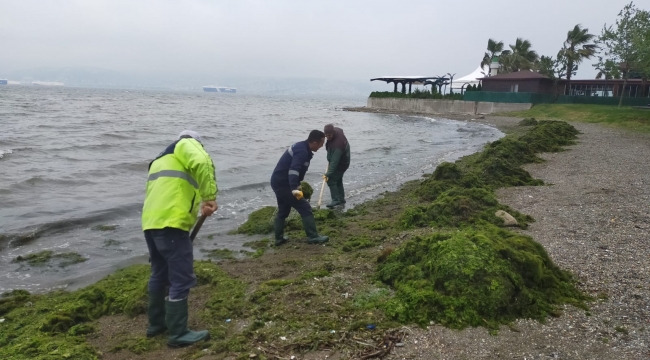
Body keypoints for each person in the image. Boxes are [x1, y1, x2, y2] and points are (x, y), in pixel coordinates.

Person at [141, 130, 217, 348]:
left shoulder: (159, 159)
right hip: (172, 223)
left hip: (151, 222)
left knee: (159, 273)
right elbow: (203, 161)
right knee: (181, 278)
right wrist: (209, 197)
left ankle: (156, 325)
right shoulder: (187, 144)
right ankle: (178, 333)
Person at [271, 130, 330, 246]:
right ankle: (313, 237)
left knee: (283, 210)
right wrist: (294, 189)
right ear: (314, 143)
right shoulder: (302, 151)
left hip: (278, 181)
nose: (322, 146)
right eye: (321, 143)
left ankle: (279, 239)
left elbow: (298, 171)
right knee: (305, 207)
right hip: (284, 184)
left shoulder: (303, 148)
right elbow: (294, 169)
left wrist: (297, 185)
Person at [323, 124, 350, 208]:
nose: (328, 137)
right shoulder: (338, 130)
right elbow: (341, 129)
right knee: (338, 179)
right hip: (344, 158)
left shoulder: (338, 145)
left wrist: (327, 174)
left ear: (333, 132)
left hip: (342, 163)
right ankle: (341, 199)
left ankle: (335, 200)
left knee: (331, 180)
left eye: (329, 135)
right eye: (326, 136)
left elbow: (334, 162)